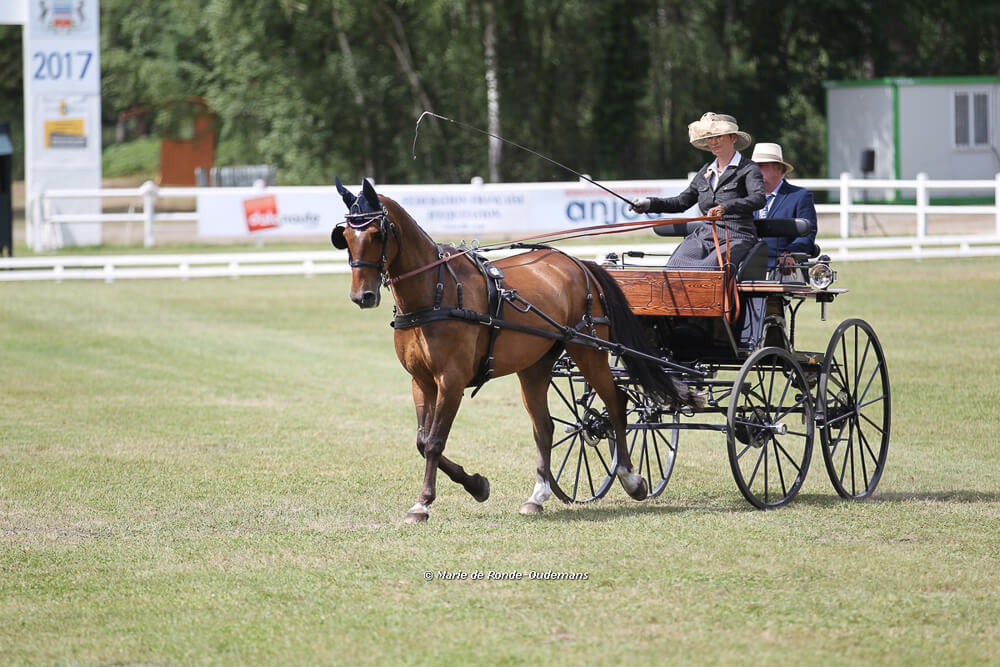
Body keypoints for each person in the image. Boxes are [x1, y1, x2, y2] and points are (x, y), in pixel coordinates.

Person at [630, 112, 765, 268]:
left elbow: (758, 198)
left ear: (733, 138)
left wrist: (726, 207)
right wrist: (648, 204)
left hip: (737, 236)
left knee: (707, 270)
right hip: (705, 236)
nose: (713, 142)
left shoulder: (748, 168)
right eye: (709, 138)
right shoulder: (705, 171)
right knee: (674, 266)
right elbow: (681, 202)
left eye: (719, 136)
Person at [750, 142, 817, 271]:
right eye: (753, 167)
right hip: (747, 269)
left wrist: (789, 253)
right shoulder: (746, 198)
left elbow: (807, 235)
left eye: (762, 166)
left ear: (778, 168)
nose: (755, 171)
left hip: (786, 270)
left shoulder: (800, 196)